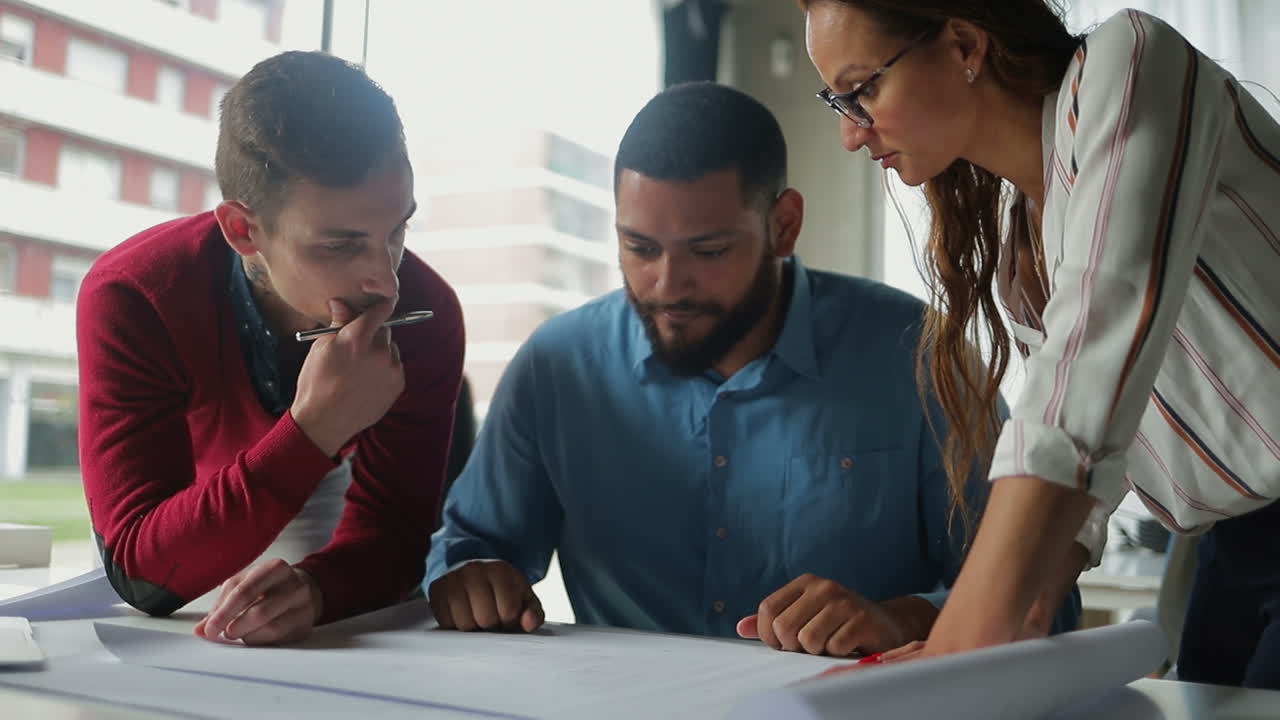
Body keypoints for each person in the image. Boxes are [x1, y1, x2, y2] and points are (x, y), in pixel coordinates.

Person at [424, 82, 1079, 657]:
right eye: (639, 247)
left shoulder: (921, 357)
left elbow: (1044, 602)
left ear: (784, 226)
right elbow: (469, 552)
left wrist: (901, 620)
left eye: (708, 251)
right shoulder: (557, 369)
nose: (667, 286)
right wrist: (472, 579)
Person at [801, 0, 1280, 687]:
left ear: (964, 44)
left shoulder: (1130, 61)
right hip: (1232, 548)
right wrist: (994, 622)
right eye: (838, 102)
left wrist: (961, 644)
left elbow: (1089, 367)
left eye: (863, 90)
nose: (852, 134)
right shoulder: (1023, 254)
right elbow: (1094, 463)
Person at [76, 51, 465, 645]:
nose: (387, 283)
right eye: (340, 245)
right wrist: (314, 429)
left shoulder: (428, 313)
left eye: (397, 230)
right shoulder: (136, 295)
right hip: (185, 538)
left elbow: (394, 539)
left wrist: (320, 589)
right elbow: (141, 575)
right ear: (243, 230)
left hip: (311, 526)